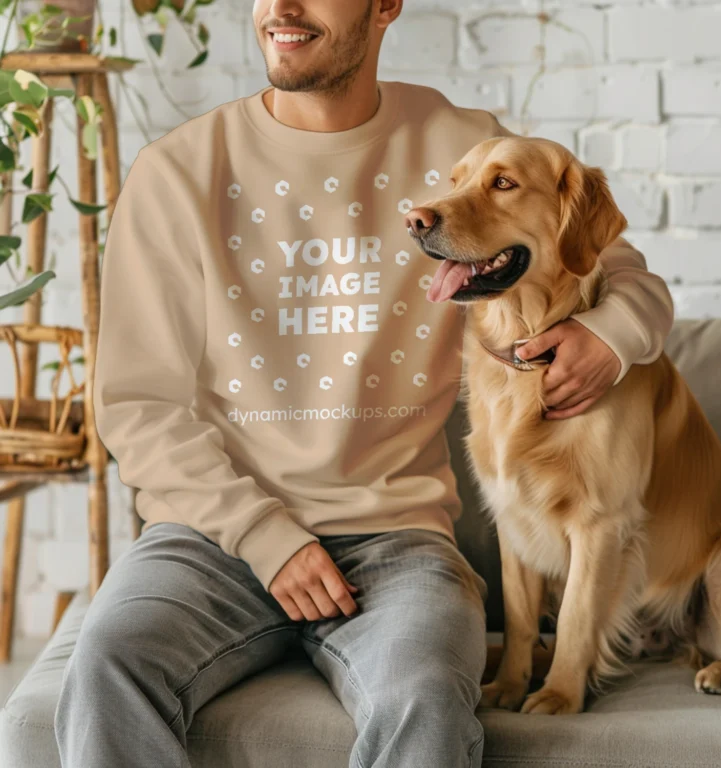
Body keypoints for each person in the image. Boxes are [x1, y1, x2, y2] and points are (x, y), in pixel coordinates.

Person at [53, 1, 674, 766]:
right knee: (105, 667)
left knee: (425, 695)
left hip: (400, 542)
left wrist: (610, 338)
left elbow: (624, 273)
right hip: (208, 539)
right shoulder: (179, 171)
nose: (281, 8)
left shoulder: (459, 147)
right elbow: (136, 405)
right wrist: (264, 538)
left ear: (385, 6)